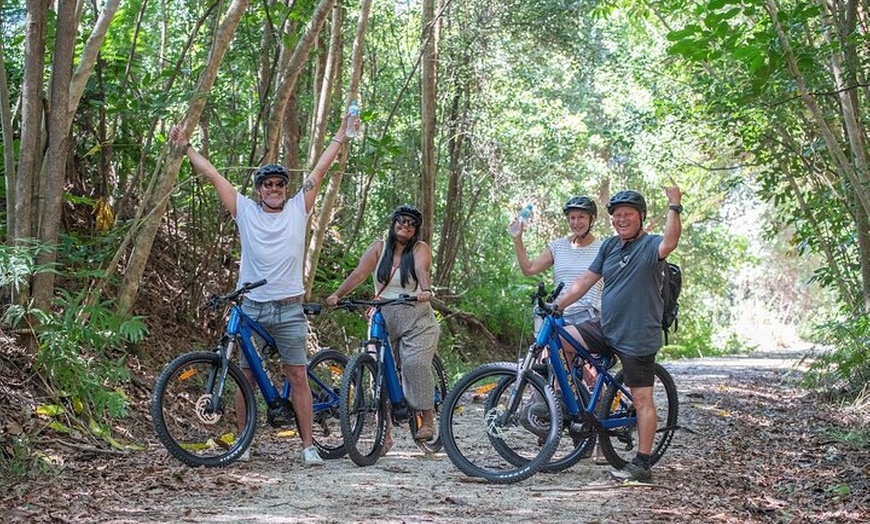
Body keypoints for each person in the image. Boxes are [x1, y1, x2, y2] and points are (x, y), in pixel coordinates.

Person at [169, 113, 355, 466]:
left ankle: (307, 446)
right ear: (258, 190)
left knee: (297, 375)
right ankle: (244, 443)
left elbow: (319, 171)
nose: (273, 189)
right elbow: (213, 176)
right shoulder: (246, 211)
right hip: (252, 307)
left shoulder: (299, 209)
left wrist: (341, 135)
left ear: (286, 190)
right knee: (246, 377)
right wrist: (186, 146)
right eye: (267, 185)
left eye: (279, 185)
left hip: (288, 308)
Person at [554, 186, 683, 482]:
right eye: (616, 215)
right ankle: (571, 400)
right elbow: (586, 280)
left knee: (641, 400)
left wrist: (674, 205)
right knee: (559, 340)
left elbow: (671, 241)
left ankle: (642, 463)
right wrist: (557, 306)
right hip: (606, 325)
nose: (621, 219)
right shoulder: (610, 247)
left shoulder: (651, 245)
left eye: (628, 214)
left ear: (641, 217)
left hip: (637, 334)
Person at [326, 205, 440, 454]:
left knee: (414, 364)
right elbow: (359, 273)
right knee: (377, 372)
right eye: (401, 221)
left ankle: (428, 419)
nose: (405, 226)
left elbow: (422, 270)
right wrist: (337, 294)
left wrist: (425, 290)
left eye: (411, 223)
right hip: (383, 315)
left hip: (415, 317)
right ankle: (384, 435)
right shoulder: (379, 247)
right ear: (393, 223)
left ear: (416, 229)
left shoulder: (420, 249)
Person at [509, 195, 604, 328]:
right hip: (558, 314)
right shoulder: (558, 247)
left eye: (581, 217)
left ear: (592, 219)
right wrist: (517, 238)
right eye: (572, 218)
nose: (576, 222)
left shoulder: (603, 248)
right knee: (541, 347)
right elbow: (528, 269)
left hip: (589, 317)